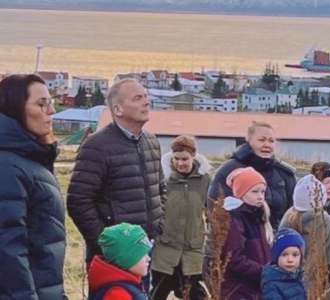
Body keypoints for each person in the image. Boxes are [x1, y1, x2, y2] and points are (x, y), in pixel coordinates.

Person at [67, 78, 167, 290]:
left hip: (145, 250)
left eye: (146, 97)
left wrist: (158, 227)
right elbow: (78, 200)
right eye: (138, 98)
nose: (146, 102)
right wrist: (108, 245)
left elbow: (160, 189)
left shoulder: (151, 142)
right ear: (118, 109)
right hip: (113, 258)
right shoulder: (97, 146)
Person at [0, 74, 67, 300]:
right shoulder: (8, 166)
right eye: (41, 104)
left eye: (51, 102)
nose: (51, 111)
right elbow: (9, 251)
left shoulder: (30, 160)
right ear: (15, 109)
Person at [151, 135, 212, 300]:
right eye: (176, 159)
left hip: (193, 251)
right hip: (165, 250)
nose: (180, 163)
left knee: (195, 295)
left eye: (185, 158)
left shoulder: (205, 180)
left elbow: (211, 213)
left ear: (193, 156)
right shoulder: (162, 179)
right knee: (156, 294)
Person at [208, 121, 296, 230]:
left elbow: (292, 214)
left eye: (271, 141)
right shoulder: (229, 170)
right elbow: (215, 208)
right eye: (261, 140)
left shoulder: (284, 174)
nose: (267, 145)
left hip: (276, 240)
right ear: (249, 141)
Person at [280, 174, 330, 300]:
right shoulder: (329, 223)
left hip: (285, 289)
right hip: (317, 290)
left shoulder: (288, 218)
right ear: (322, 199)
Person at [219, 167, 273, 300]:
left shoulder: (256, 217)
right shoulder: (234, 218)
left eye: (262, 191)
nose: (260, 196)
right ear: (241, 193)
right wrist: (264, 272)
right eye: (255, 191)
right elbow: (234, 258)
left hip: (255, 286)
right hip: (239, 289)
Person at [88, 223, 153, 300]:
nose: (148, 258)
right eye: (142, 254)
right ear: (126, 259)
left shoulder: (129, 282)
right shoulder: (117, 294)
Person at [261, 228, 307, 300]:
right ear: (276, 257)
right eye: (284, 255)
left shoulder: (301, 278)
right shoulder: (272, 285)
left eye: (295, 255)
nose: (290, 260)